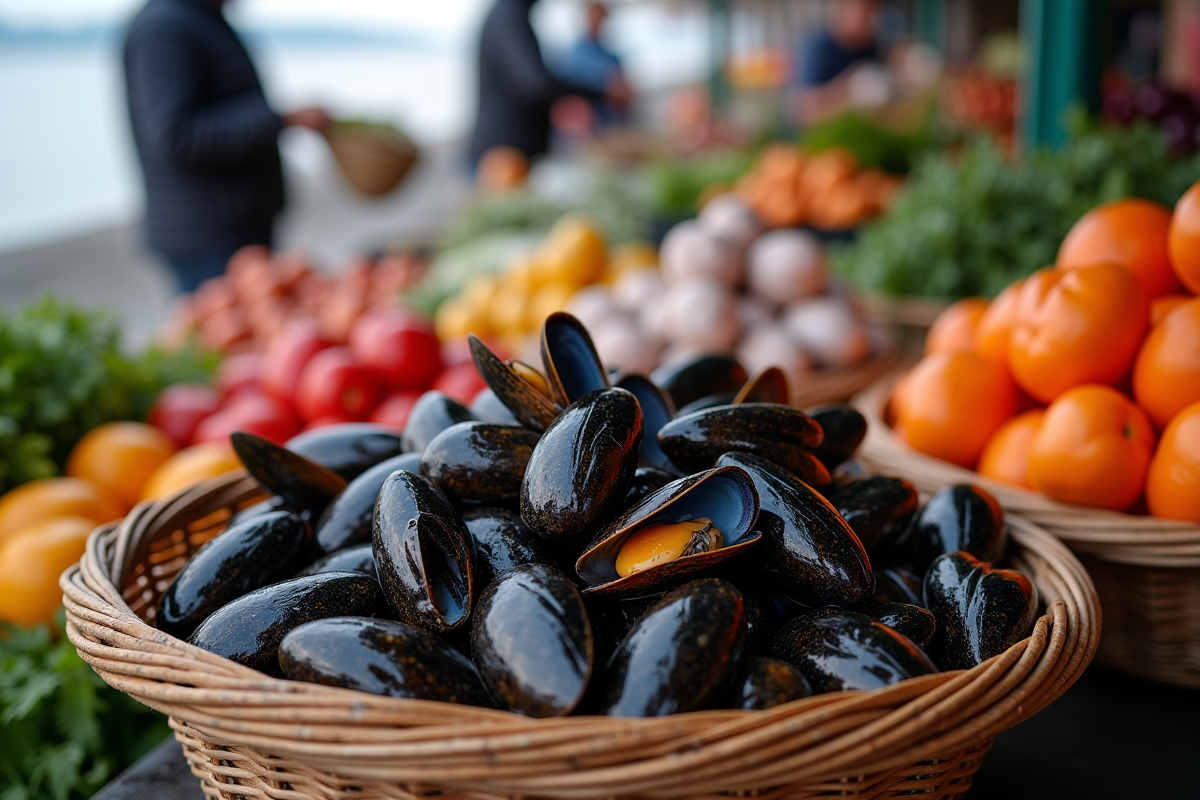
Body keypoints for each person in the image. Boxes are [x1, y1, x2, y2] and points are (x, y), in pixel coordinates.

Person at [123, 0, 330, 293]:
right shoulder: (163, 26)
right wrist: (280, 119)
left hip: (236, 228)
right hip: (207, 238)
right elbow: (176, 137)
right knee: (223, 330)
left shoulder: (202, 18)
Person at [468, 0, 627, 166]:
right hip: (500, 160)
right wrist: (603, 93)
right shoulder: (508, 15)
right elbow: (537, 85)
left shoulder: (512, 14)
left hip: (516, 155)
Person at [793, 0, 884, 126]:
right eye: (864, 9)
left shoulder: (872, 48)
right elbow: (802, 111)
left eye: (874, 10)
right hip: (824, 138)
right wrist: (850, 89)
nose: (871, 18)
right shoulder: (820, 48)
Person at [555, 2, 628, 128]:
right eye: (593, 15)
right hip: (578, 131)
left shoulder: (612, 58)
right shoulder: (571, 57)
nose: (597, 21)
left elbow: (624, 98)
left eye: (600, 16)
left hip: (607, 126)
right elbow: (564, 99)